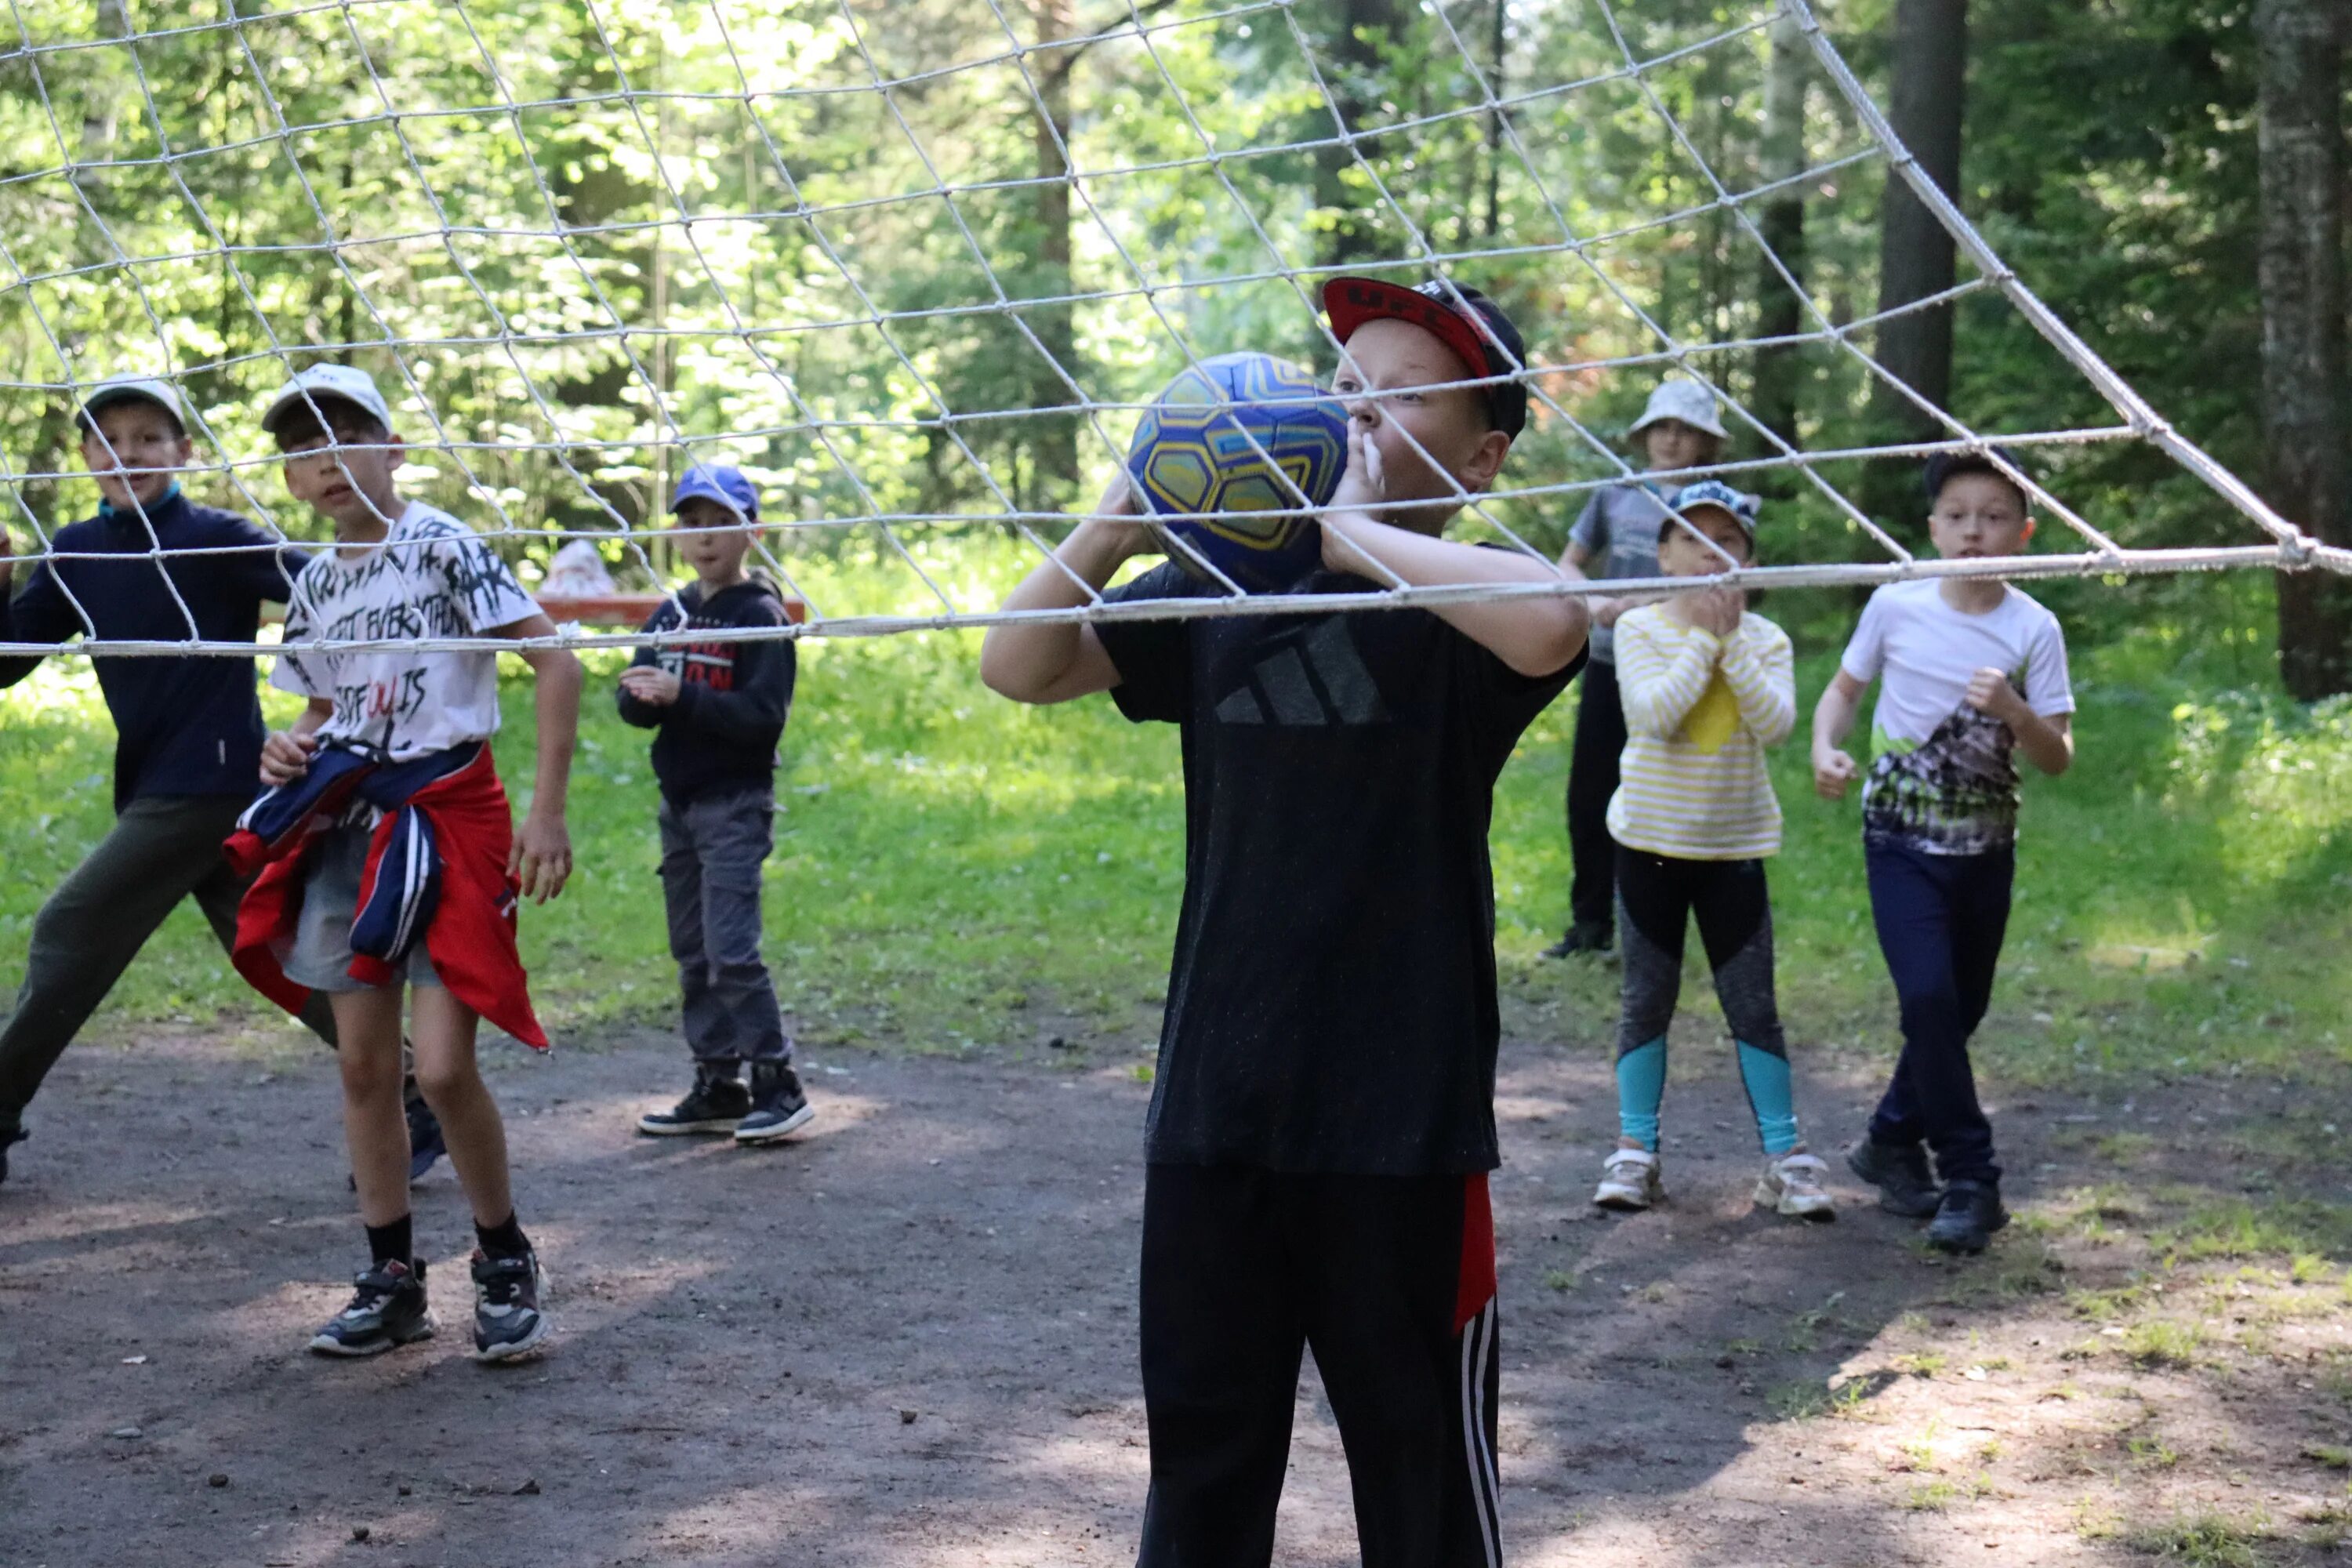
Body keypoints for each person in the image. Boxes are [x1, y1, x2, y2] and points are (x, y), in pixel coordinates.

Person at [979, 276, 1588, 1567]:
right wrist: (1121, 516)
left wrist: (1355, 531)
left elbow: (1555, 625)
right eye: (1343, 384)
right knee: (1203, 1466)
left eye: (1398, 393)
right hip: (1217, 1111)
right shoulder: (1220, 602)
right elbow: (1018, 662)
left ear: (1479, 456)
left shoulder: (1462, 614)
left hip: (1401, 1130)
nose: (1356, 409)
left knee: (1418, 1479)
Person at [0, 374, 444, 1189]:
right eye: (110, 439)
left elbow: (332, 582)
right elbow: (10, 660)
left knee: (70, 926)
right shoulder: (73, 551)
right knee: (275, 953)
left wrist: (407, 612)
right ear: (86, 456)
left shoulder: (217, 537)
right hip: (165, 785)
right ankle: (417, 1088)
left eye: (148, 437)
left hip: (209, 786)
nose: (128, 453)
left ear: (183, 451)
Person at [230, 364, 581, 1359]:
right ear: (292, 479)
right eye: (304, 447)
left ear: (394, 447)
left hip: (449, 820)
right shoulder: (314, 580)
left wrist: (545, 816)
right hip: (350, 828)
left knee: (445, 1064)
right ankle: (391, 1277)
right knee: (362, 1064)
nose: (328, 459)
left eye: (348, 434)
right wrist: (287, 746)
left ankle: (504, 1256)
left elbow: (556, 660)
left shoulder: (444, 547)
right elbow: (319, 705)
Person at [1812, 448, 2074, 1254]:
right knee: (1928, 998)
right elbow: (1844, 692)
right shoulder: (1896, 605)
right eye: (1957, 514)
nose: (1973, 530)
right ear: (1932, 528)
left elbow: (2058, 752)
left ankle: (1890, 1137)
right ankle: (1972, 1175)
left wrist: (2014, 708)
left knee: (1961, 1008)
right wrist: (1826, 746)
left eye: (1993, 515)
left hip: (1986, 846)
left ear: (2022, 531)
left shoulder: (2034, 627)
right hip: (1897, 836)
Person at [1585, 481, 1830, 1221]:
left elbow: (1776, 724)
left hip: (1735, 849)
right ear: (1663, 555)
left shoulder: (1767, 639)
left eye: (1728, 542)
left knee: (1754, 1007)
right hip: (1650, 846)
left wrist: (1729, 645)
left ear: (1748, 563)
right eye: (1692, 539)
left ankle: (1786, 1161)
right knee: (1645, 1001)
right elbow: (1653, 717)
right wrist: (1702, 640)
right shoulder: (1640, 631)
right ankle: (1635, 1151)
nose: (1709, 553)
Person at [619, 464, 811, 1144]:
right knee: (693, 951)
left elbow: (763, 718)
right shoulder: (672, 612)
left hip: (735, 804)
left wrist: (683, 697)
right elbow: (635, 701)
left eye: (721, 524)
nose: (705, 538)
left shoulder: (760, 615)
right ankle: (718, 1081)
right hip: (680, 805)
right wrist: (638, 695)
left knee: (732, 950)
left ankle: (777, 1082)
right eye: (692, 524)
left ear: (751, 533)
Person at [1547, 378, 1726, 958]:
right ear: (1645, 434)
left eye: (1685, 429)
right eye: (1662, 427)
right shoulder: (1614, 494)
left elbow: (1727, 579)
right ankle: (1590, 923)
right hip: (1607, 663)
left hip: (1679, 667)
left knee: (1665, 794)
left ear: (1705, 441)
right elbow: (1570, 564)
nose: (1671, 440)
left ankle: (1656, 927)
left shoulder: (1714, 505)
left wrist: (1655, 607)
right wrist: (1592, 601)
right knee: (1590, 793)